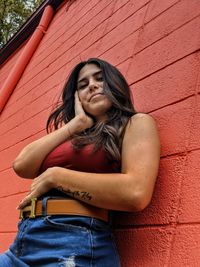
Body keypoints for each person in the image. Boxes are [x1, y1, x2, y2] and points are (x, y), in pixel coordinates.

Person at [0, 58, 160, 267]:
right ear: (77, 98)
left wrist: (56, 177)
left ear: (115, 84)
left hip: (75, 242)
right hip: (25, 240)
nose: (92, 85)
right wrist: (75, 124)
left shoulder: (135, 123)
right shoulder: (72, 137)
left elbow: (136, 193)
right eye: (82, 85)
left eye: (100, 79)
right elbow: (21, 165)